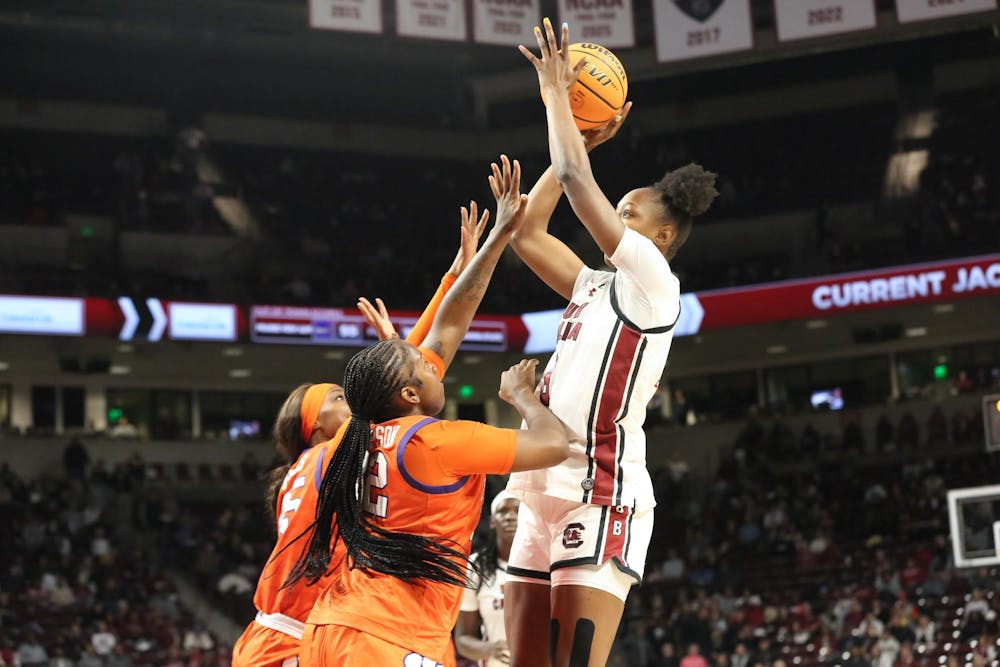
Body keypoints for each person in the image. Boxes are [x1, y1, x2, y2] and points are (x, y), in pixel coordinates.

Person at [289, 156, 571, 666]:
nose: (433, 361)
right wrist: (523, 397)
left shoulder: (352, 438)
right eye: (422, 365)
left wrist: (491, 245)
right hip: (390, 637)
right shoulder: (437, 442)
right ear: (408, 394)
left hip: (331, 628)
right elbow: (554, 445)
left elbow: (448, 327)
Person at [505, 19, 719, 667]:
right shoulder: (594, 285)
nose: (615, 217)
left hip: (600, 492)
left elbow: (577, 181)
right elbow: (526, 232)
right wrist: (580, 139)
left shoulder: (654, 283)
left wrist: (556, 99)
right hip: (538, 485)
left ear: (660, 237)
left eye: (629, 213)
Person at [231, 205, 489, 667]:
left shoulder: (304, 469)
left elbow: (406, 373)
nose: (350, 398)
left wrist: (443, 291)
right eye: (337, 396)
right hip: (298, 638)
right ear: (316, 427)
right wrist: (450, 283)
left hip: (280, 634)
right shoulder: (334, 452)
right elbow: (417, 368)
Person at [454, 491, 520, 666]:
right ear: (492, 521)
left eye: (518, 511)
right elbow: (462, 640)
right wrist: (489, 649)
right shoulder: (476, 567)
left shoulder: (544, 563)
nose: (510, 517)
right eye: (503, 511)